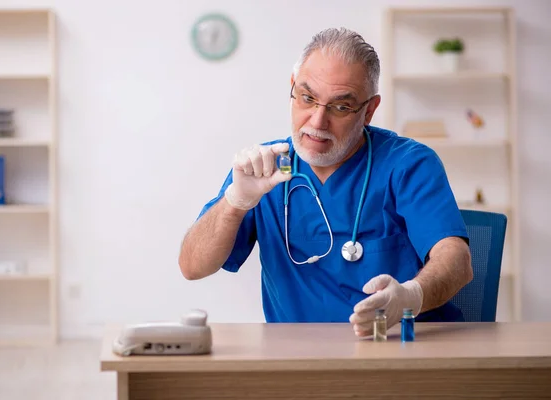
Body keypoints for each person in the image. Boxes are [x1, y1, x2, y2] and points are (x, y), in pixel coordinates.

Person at [178, 28, 473, 337]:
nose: (317, 122)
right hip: (300, 360)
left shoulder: (408, 164)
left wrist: (412, 296)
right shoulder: (264, 169)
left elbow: (456, 260)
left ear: (369, 110)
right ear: (292, 88)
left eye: (341, 107)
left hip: (402, 349)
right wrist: (234, 204)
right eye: (307, 98)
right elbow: (192, 267)